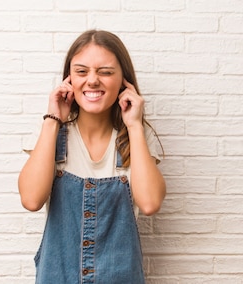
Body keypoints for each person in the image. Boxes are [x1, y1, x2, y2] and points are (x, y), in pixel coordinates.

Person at [18, 29, 166, 284]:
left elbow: (150, 204)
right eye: (82, 71)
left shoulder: (136, 137)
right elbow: (31, 200)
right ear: (69, 79)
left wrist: (134, 126)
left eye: (106, 72)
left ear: (123, 81)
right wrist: (53, 120)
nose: (93, 81)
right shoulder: (51, 133)